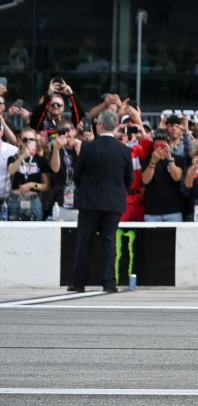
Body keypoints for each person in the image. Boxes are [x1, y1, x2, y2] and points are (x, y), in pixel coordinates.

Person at [69, 110, 133, 293]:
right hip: (113, 203)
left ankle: (79, 282)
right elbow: (129, 180)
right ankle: (108, 283)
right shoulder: (124, 150)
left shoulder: (88, 147)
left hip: (90, 202)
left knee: (84, 242)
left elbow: (77, 175)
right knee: (109, 242)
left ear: (101, 125)